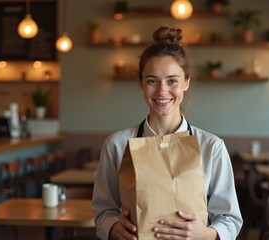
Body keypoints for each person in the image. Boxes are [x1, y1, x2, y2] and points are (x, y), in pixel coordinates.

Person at [92, 26, 243, 240]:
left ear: (186, 83)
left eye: (172, 81)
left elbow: (230, 219)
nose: (162, 91)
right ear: (142, 84)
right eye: (152, 81)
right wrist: (114, 228)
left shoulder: (211, 147)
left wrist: (207, 234)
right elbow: (103, 211)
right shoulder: (117, 144)